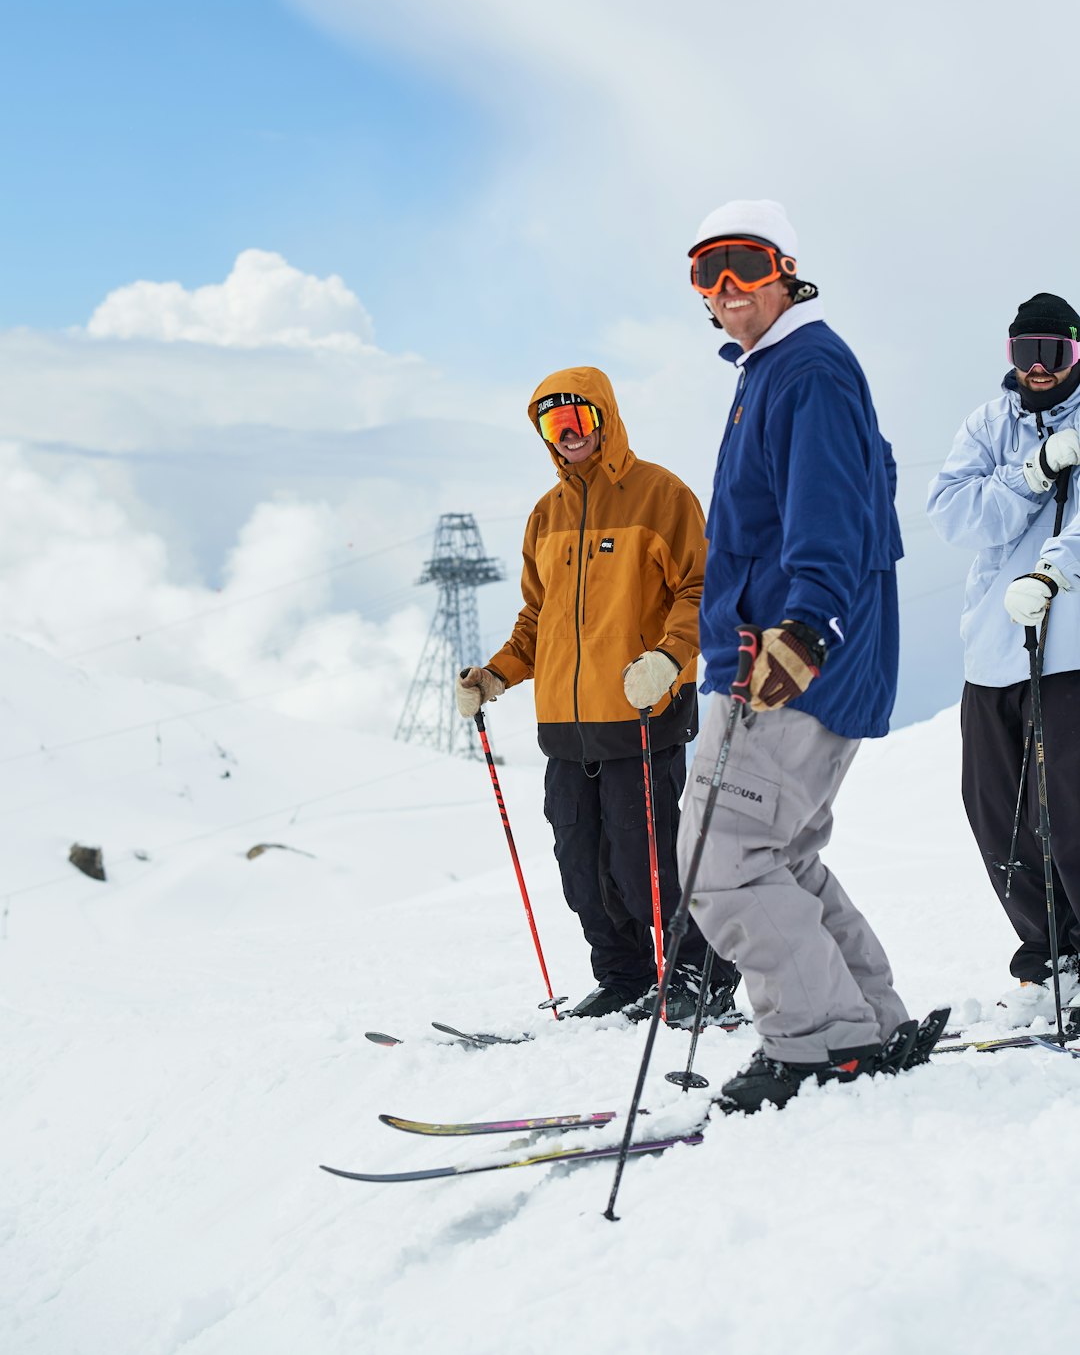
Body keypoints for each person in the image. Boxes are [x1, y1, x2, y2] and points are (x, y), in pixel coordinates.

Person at [677, 198, 916, 1114]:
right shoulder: (777, 370)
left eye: (744, 264)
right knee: (783, 849)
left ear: (786, 268)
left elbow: (834, 509)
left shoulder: (806, 367)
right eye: (708, 271)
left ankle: (820, 1041)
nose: (728, 288)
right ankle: (867, 1020)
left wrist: (808, 627)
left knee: (721, 852)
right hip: (778, 645)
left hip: (787, 653)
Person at [455, 366, 739, 1023]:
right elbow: (536, 619)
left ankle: (705, 974)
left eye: (578, 419)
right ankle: (625, 975)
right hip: (565, 727)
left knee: (649, 866)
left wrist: (669, 659)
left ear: (604, 419)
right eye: (553, 424)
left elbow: (703, 591)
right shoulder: (545, 516)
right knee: (583, 870)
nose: (568, 434)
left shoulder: (660, 496)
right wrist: (494, 676)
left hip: (643, 716)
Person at [928, 293, 1080, 1024]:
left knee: (1074, 812)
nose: (1040, 370)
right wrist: (1033, 472)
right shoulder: (989, 425)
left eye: (1055, 353)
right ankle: (1049, 956)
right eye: (1027, 354)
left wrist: (1052, 573)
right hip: (993, 650)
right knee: (996, 811)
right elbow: (953, 512)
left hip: (1071, 651)